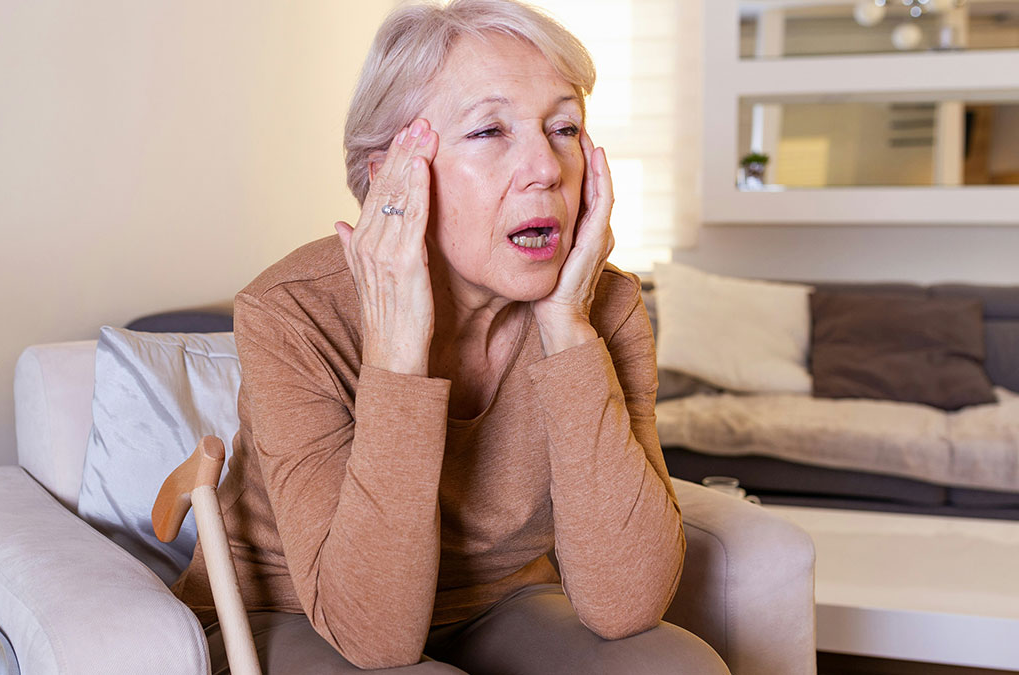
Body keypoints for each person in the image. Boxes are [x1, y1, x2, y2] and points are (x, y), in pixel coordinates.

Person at [172, 1, 728, 672]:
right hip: (293, 609)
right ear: (390, 176)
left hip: (496, 603)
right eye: (491, 130)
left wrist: (567, 327)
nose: (548, 169)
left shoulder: (604, 305)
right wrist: (396, 354)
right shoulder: (290, 311)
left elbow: (625, 604)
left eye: (564, 127)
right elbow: (375, 638)